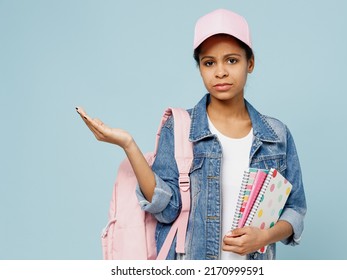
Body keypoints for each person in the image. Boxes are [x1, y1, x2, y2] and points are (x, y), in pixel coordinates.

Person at [77, 8, 306, 260]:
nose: (220, 72)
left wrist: (264, 237)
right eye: (209, 62)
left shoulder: (276, 135)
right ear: (200, 67)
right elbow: (167, 209)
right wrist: (128, 144)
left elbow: (294, 209)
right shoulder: (179, 128)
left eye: (232, 60)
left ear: (249, 63)